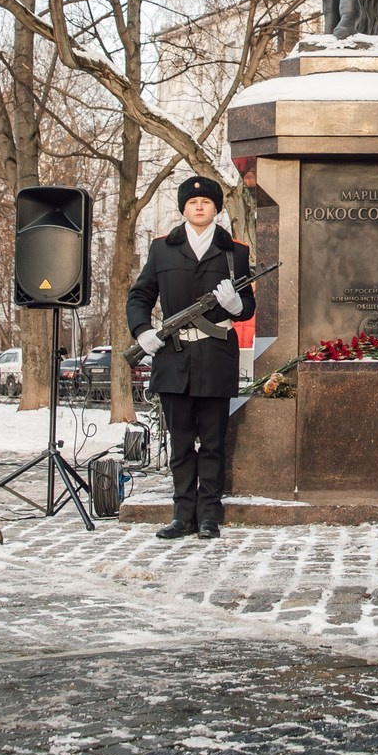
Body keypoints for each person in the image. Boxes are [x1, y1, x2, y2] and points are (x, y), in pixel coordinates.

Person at [128, 175, 256, 540]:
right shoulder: (162, 249)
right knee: (181, 443)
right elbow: (140, 295)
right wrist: (142, 331)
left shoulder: (234, 252)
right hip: (175, 357)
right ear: (184, 208)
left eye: (206, 202)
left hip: (215, 356)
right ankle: (182, 514)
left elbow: (248, 307)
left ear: (216, 209)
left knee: (213, 442)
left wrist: (236, 305)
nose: (199, 207)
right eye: (192, 203)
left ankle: (209, 515)